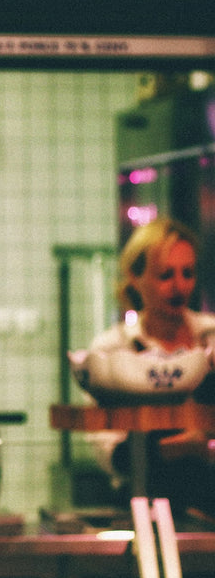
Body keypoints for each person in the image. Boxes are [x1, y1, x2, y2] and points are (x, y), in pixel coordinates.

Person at [88, 217, 215, 515]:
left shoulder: (210, 337)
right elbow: (109, 454)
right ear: (135, 276)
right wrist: (180, 447)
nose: (178, 286)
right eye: (165, 275)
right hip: (141, 501)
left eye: (187, 273)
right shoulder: (112, 350)